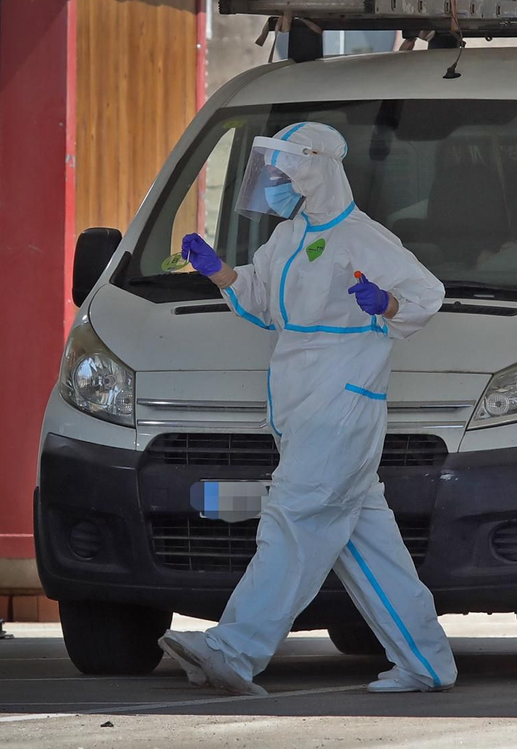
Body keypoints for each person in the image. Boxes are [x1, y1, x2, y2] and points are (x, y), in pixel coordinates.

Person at [159, 121, 456, 696]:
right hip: (302, 407)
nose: (271, 183)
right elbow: (264, 304)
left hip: (342, 406)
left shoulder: (364, 239)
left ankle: (234, 648)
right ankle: (426, 663)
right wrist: (217, 271)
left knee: (292, 519)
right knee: (369, 542)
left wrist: (387, 302)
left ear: (315, 168)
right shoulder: (288, 237)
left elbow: (427, 296)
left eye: (280, 170)